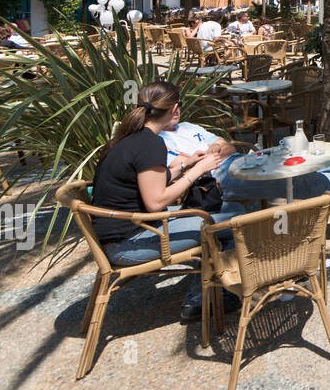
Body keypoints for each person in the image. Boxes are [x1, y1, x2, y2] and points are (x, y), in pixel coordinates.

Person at [90, 81, 244, 322]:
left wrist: (185, 164)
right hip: (128, 244)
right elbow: (155, 202)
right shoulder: (151, 144)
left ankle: (205, 293)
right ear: (174, 109)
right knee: (233, 221)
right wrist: (198, 170)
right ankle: (212, 296)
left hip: (121, 234)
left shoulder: (133, 138)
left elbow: (148, 183)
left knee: (217, 212)